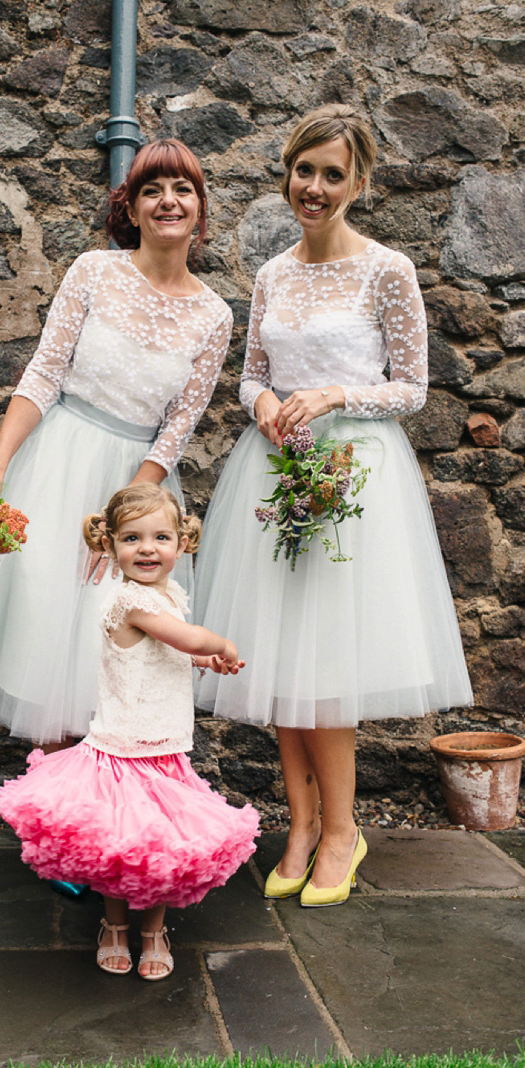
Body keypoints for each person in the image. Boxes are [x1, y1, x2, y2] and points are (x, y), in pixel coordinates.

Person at [193, 104, 472, 908]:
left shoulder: (388, 269)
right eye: (302, 170)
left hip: (355, 476)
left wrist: (330, 395)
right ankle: (302, 824)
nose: (312, 187)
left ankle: (343, 832)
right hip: (277, 469)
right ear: (287, 172)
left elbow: (412, 389)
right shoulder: (273, 272)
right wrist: (264, 409)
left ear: (358, 182)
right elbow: (249, 376)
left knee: (325, 667)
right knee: (279, 656)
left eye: (330, 173)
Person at [0, 139, 233, 747]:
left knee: (109, 632)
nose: (167, 201)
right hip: (56, 464)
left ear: (200, 208)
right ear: (130, 209)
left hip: (135, 484)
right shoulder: (93, 271)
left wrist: (118, 514)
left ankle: (103, 791)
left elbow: (178, 426)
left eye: (182, 189)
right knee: (45, 621)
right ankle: (53, 793)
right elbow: (44, 374)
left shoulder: (214, 315)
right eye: (151, 190)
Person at [0, 484, 260, 978]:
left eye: (161, 537)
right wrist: (216, 642)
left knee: (160, 848)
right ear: (110, 545)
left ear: (181, 543)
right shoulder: (128, 601)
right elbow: (185, 635)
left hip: (164, 747)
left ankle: (153, 930)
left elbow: (172, 646)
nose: (147, 548)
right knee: (123, 846)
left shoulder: (166, 597)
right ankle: (114, 926)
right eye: (132, 538)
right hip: (123, 749)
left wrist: (201, 660)